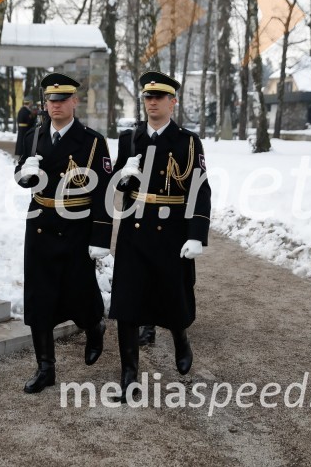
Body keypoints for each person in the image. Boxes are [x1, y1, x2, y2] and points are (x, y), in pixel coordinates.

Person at [109, 70, 211, 401]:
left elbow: (200, 189)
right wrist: (124, 177)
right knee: (127, 301)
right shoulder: (130, 137)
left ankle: (180, 337)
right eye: (147, 98)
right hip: (134, 228)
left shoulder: (187, 140)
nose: (152, 102)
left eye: (159, 98)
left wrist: (197, 233)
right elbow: (115, 185)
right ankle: (128, 374)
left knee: (172, 294)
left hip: (171, 229)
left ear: (172, 102)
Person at [15, 73, 113, 394]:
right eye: (50, 100)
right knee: (39, 297)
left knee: (79, 290)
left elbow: (104, 194)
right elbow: (21, 171)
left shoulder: (93, 141)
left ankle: (93, 326)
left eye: (61, 100)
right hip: (41, 221)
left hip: (77, 224)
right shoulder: (32, 136)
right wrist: (24, 175)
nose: (54, 106)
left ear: (74, 101)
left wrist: (101, 237)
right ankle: (46, 368)